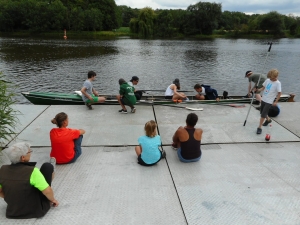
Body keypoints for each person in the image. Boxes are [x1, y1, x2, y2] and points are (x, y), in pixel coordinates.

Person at [0, 142, 59, 219]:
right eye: (29, 152)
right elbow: (47, 191)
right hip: (36, 211)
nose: (30, 153)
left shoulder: (2, 170)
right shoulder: (33, 171)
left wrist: (12, 200)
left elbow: (0, 191)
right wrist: (53, 200)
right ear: (23, 158)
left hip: (13, 212)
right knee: (48, 167)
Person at [255, 69, 281, 134]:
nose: (270, 79)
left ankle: (259, 127)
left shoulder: (278, 83)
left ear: (275, 76)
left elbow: (279, 93)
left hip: (269, 101)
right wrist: (258, 90)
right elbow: (263, 88)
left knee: (263, 114)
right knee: (262, 112)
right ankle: (268, 120)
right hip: (263, 99)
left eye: (271, 78)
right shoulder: (267, 80)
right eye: (270, 78)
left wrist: (276, 101)